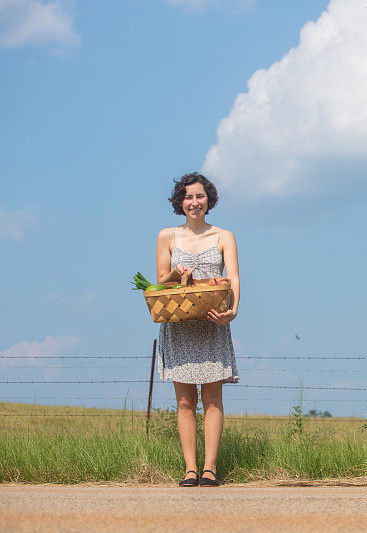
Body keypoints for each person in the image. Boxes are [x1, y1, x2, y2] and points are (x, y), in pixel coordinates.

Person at [155, 172, 240, 487]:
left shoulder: (223, 236)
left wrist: (233, 311)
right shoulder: (167, 236)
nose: (194, 202)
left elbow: (233, 276)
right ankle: (190, 469)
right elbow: (160, 280)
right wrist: (176, 273)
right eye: (188, 197)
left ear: (209, 200)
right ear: (180, 201)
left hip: (212, 322)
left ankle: (210, 468)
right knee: (185, 401)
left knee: (213, 398)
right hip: (179, 326)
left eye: (200, 196)